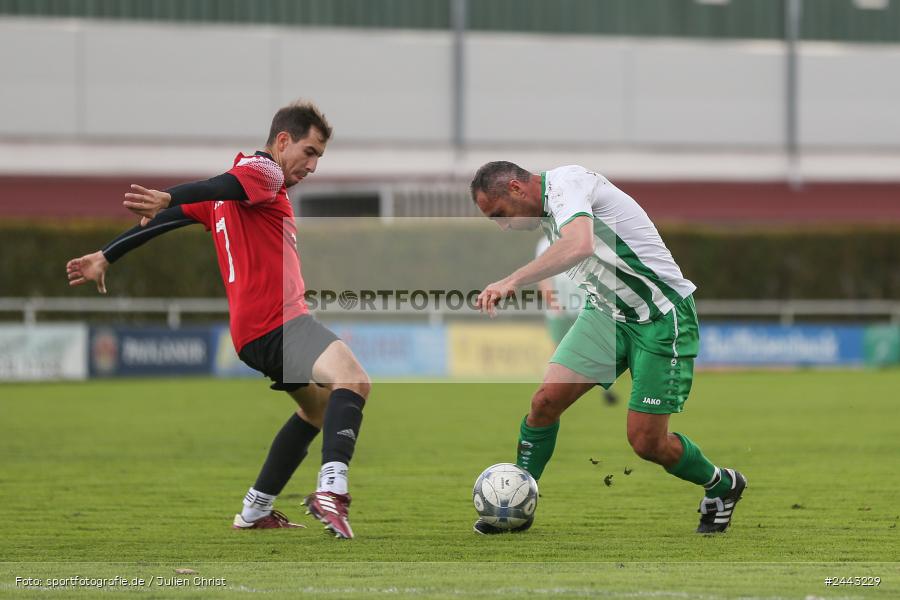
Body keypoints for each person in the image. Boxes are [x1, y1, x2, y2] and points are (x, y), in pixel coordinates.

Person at [65, 101, 365, 539]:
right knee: (354, 382)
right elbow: (200, 192)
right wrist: (171, 195)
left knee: (317, 409)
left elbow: (166, 219)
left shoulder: (229, 196)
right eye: (311, 151)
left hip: (252, 334)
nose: (313, 166)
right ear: (283, 141)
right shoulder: (266, 173)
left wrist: (108, 254)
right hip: (279, 322)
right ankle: (331, 492)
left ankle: (255, 510)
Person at [470, 162, 746, 535]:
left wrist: (512, 280)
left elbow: (580, 244)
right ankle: (519, 504)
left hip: (660, 317)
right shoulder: (549, 211)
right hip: (606, 314)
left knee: (646, 442)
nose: (503, 226)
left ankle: (722, 484)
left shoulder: (568, 185)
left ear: (517, 188)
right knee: (544, 403)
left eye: (500, 215)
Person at [535, 236, 618, 406]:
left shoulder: (584, 236)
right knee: (557, 350)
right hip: (558, 309)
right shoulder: (545, 243)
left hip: (584, 306)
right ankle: (550, 390)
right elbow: (542, 277)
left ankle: (605, 390)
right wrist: (553, 301)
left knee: (594, 348)